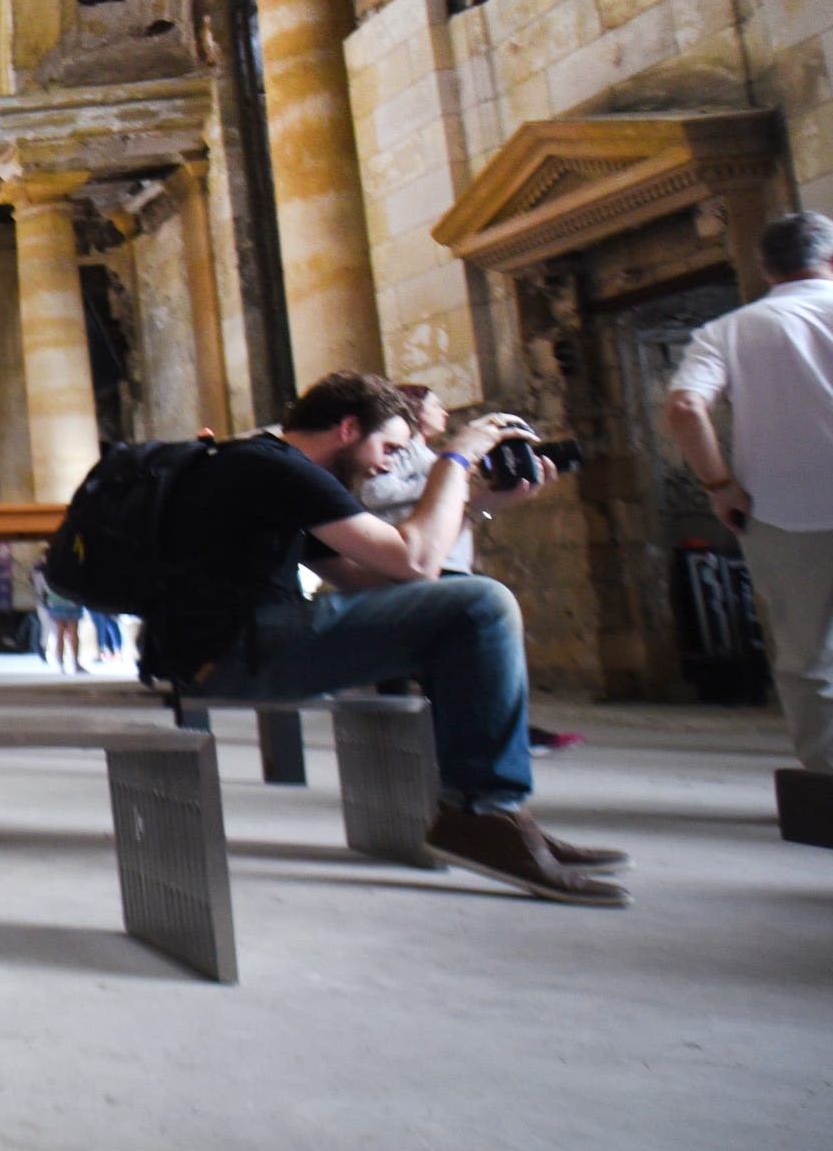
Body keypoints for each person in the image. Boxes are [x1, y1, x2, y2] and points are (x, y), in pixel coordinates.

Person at [147, 371, 625, 904]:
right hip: (231, 654)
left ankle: (488, 811)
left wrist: (482, 506)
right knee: (481, 603)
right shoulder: (276, 468)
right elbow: (414, 562)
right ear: (349, 428)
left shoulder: (262, 467)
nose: (389, 463)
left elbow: (375, 578)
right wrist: (456, 458)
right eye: (390, 446)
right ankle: (482, 813)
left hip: (235, 646)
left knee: (462, 594)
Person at [665, 211, 833, 778]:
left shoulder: (729, 331)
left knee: (809, 656)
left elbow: (686, 407)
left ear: (765, 269)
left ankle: (827, 786)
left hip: (786, 513)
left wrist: (719, 486)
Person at [364, 386, 580, 752]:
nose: (445, 414)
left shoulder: (431, 455)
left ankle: (489, 734)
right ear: (416, 412)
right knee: (452, 655)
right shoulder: (395, 452)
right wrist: (447, 478)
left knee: (443, 662)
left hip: (448, 559)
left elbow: (452, 508)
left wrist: (481, 496)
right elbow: (375, 496)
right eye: (436, 406)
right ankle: (490, 736)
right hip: (421, 563)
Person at [36, 564, 86, 672]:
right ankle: (75, 663)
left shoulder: (53, 567)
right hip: (72, 599)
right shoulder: (75, 567)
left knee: (60, 633)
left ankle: (61, 663)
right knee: (73, 633)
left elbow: (47, 585)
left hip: (56, 600)